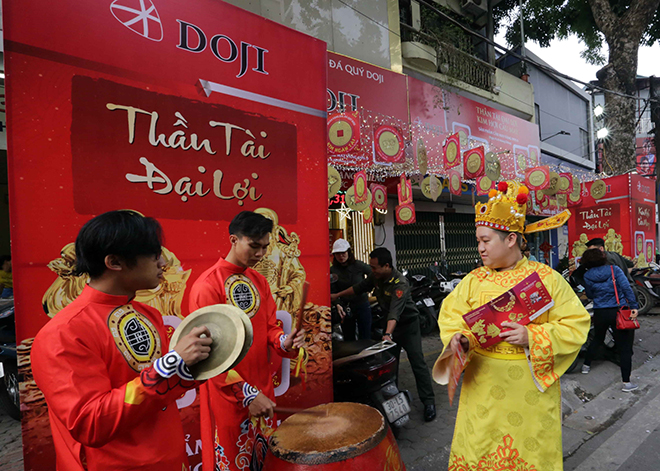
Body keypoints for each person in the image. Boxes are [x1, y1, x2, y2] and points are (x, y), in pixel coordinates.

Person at [31, 210, 212, 471]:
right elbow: (90, 423)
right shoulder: (62, 334)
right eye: (153, 255)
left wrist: (207, 359)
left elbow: (165, 388)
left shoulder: (148, 314)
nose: (163, 263)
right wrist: (170, 365)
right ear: (114, 262)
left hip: (170, 458)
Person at [436, 181, 590, 470]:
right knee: (479, 449)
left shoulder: (546, 278)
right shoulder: (473, 280)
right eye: (478, 241)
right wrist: (461, 338)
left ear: (510, 239)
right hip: (481, 387)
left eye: (486, 241)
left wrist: (533, 336)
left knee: (527, 453)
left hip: (528, 391)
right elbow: (451, 317)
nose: (479, 248)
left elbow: (576, 325)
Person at [189, 211, 306, 471]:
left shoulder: (259, 282)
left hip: (262, 390)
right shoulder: (208, 287)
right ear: (233, 239)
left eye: (264, 247)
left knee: (264, 461)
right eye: (254, 246)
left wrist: (285, 342)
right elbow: (207, 358)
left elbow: (270, 329)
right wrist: (246, 395)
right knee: (232, 462)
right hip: (228, 397)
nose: (260, 254)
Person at [331, 247, 437, 422]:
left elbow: (395, 312)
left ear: (386, 266)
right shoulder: (377, 277)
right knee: (390, 366)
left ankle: (429, 402)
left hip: (407, 327)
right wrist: (337, 296)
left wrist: (387, 334)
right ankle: (392, 403)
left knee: (418, 363)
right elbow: (359, 288)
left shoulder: (400, 283)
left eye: (374, 267)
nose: (371, 271)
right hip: (389, 327)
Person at [580, 248, 639, 391]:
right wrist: (634, 306)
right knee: (625, 347)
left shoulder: (587, 275)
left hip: (600, 312)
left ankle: (586, 366)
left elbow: (590, 294)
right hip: (619, 311)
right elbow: (626, 288)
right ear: (603, 257)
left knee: (598, 339)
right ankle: (626, 383)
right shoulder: (614, 270)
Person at [330, 238, 373, 340]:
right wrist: (337, 304)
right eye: (338, 254)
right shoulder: (333, 270)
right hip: (345, 307)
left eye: (343, 253)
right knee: (348, 338)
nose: (341, 256)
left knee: (366, 336)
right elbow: (332, 289)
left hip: (362, 303)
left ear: (348, 252)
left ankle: (367, 356)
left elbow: (373, 274)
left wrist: (368, 287)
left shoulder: (358, 265)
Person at [574, 237, 637, 302]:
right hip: (628, 291)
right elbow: (630, 265)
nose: (590, 253)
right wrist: (623, 276)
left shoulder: (604, 262)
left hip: (617, 297)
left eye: (592, 250)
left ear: (601, 248)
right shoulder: (614, 254)